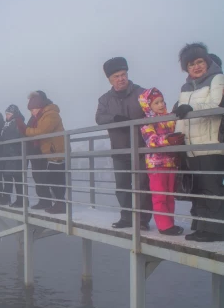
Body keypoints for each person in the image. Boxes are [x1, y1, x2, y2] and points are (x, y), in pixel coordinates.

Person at [174, 42, 224, 242]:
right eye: (190, 64)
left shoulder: (216, 78)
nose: (196, 67)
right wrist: (177, 141)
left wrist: (190, 107)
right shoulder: (185, 87)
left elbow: (215, 103)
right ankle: (202, 227)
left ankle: (216, 230)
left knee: (211, 188)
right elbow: (182, 116)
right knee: (198, 189)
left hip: (210, 143)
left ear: (207, 61)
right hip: (191, 146)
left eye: (199, 61)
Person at [95, 57, 152, 230]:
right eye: (116, 76)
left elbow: (153, 112)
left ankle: (142, 220)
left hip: (141, 147)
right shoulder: (105, 99)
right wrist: (115, 119)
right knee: (122, 185)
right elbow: (99, 118)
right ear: (110, 80)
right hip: (119, 149)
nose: (121, 79)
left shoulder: (142, 93)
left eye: (123, 74)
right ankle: (126, 217)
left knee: (143, 184)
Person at [139, 88, 184, 235]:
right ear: (148, 106)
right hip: (156, 164)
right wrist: (168, 140)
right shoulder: (147, 122)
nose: (160, 105)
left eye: (162, 101)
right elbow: (151, 140)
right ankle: (164, 226)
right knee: (160, 195)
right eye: (156, 103)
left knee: (170, 195)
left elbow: (179, 128)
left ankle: (170, 223)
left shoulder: (170, 118)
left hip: (171, 162)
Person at [16, 91, 66, 214]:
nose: (32, 112)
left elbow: (42, 131)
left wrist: (25, 129)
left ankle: (60, 204)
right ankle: (53, 203)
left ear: (40, 106)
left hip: (55, 151)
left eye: (33, 109)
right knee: (51, 178)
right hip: (48, 152)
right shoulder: (39, 116)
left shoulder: (51, 114)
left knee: (56, 178)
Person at [1, 105, 26, 207]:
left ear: (14, 114)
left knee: (18, 178)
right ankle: (7, 198)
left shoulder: (17, 123)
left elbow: (15, 136)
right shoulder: (7, 124)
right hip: (9, 155)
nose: (7, 115)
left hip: (16, 154)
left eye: (9, 114)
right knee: (8, 177)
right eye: (6, 114)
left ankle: (21, 200)